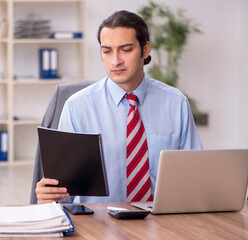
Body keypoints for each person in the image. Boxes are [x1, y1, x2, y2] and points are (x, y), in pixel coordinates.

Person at [35, 10, 202, 204]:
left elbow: (194, 179)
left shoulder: (176, 103)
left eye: (126, 49)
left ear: (145, 50)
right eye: (107, 51)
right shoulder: (77, 107)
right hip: (97, 225)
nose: (115, 61)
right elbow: (63, 193)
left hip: (160, 224)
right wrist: (50, 196)